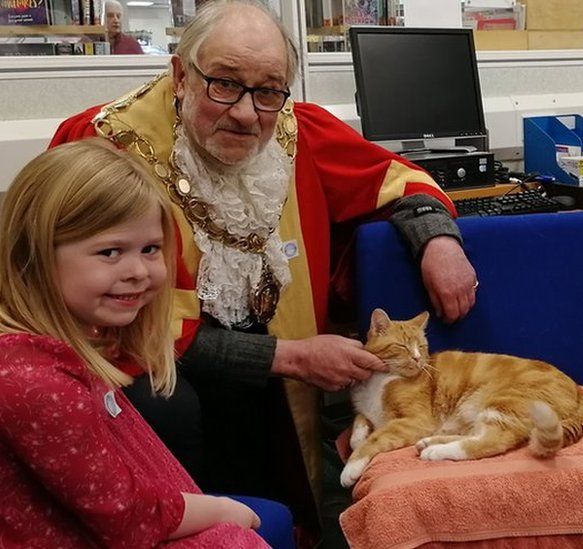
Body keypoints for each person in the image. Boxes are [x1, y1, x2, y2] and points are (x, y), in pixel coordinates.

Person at [49, 0, 478, 537]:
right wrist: (287, 355)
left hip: (275, 380)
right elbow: (91, 326)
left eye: (269, 90)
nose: (248, 114)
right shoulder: (100, 146)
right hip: (159, 385)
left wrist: (439, 241)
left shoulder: (297, 132)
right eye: (224, 84)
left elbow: (400, 183)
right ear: (181, 75)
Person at [0, 139, 266, 547]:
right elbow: (127, 519)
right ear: (31, 256)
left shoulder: (68, 347)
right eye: (110, 252)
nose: (139, 271)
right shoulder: (35, 381)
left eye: (150, 249)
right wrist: (223, 510)